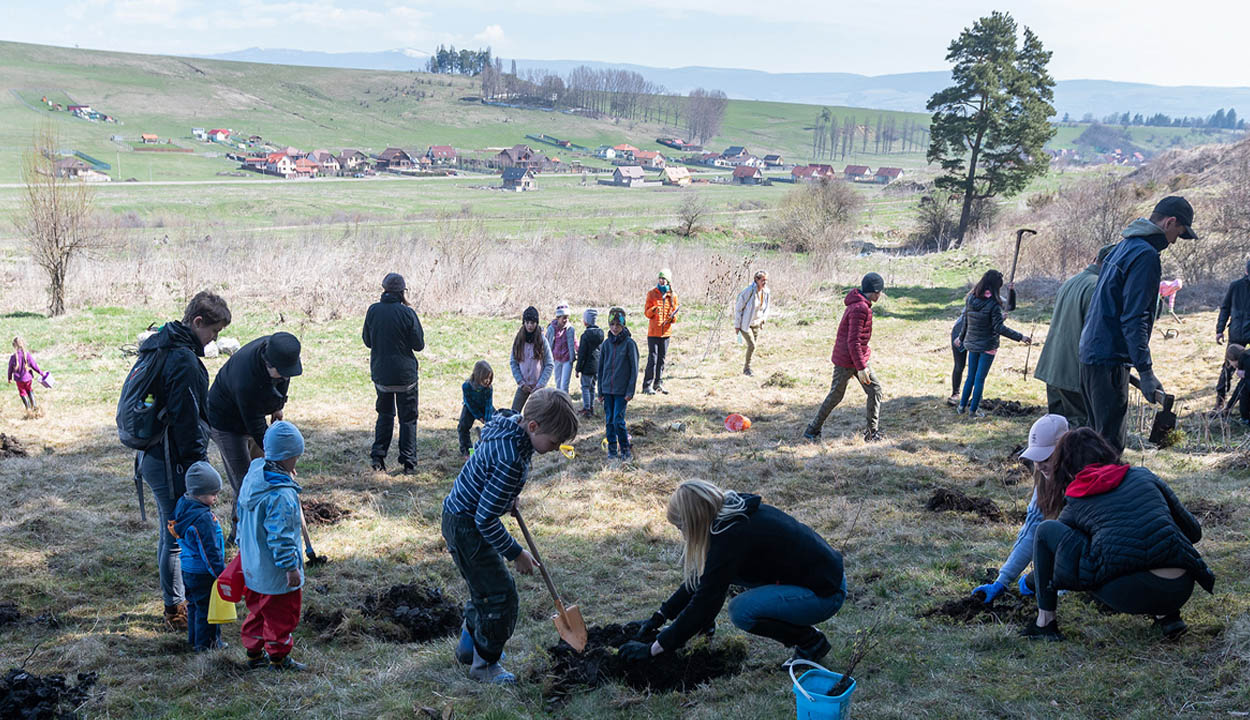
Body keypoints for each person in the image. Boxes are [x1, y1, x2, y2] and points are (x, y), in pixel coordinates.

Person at [619, 480, 846, 665]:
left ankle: (810, 642)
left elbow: (706, 600)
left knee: (742, 610)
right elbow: (704, 579)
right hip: (822, 579)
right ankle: (702, 627)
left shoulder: (731, 537)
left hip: (825, 594)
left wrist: (654, 649)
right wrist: (661, 615)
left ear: (694, 522)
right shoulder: (731, 515)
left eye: (681, 528)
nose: (683, 536)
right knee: (720, 584)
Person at [1022, 428, 1214, 641]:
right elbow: (1193, 532)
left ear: (1066, 468)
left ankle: (1045, 622)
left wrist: (1031, 582)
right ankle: (1169, 617)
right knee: (1148, 537)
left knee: (1047, 530)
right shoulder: (1143, 476)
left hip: (1129, 594)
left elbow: (1056, 553)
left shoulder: (1076, 499)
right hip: (1180, 587)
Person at [443, 388, 579, 684]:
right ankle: (485, 665)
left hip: (457, 516)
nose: (556, 448)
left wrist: (507, 498)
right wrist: (516, 553)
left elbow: (488, 480)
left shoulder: (508, 426)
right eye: (554, 442)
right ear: (532, 427)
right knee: (501, 596)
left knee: (483, 588)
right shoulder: (510, 459)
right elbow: (485, 518)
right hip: (468, 527)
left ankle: (471, 647)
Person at [137, 291, 231, 631]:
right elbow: (187, 418)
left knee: (172, 532)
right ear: (197, 322)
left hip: (158, 454)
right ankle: (176, 608)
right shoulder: (184, 361)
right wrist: (197, 467)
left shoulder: (167, 346)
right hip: (171, 460)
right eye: (214, 332)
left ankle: (177, 603)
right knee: (176, 535)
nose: (214, 340)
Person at [1079, 197, 1195, 451]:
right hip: (1108, 359)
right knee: (1108, 447)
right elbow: (1134, 318)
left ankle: (1081, 489)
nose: (1175, 240)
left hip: (1092, 355)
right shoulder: (1145, 255)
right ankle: (1098, 490)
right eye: (1179, 232)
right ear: (1170, 222)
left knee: (1093, 440)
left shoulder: (1124, 246)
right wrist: (1145, 371)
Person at [207, 331, 302, 544]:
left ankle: (263, 526)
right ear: (268, 365)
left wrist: (278, 407)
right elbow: (256, 426)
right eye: (283, 372)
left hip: (251, 413)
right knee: (247, 481)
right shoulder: (246, 379)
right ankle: (241, 535)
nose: (287, 376)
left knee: (264, 471)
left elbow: (284, 379)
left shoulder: (282, 351)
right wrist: (281, 457)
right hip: (226, 422)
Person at [971, 414, 1069, 603]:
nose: (1039, 465)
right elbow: (1032, 530)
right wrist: (1003, 580)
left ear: (1065, 451)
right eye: (1036, 459)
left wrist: (1061, 581)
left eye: (1046, 458)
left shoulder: (1087, 478)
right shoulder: (1044, 479)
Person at [236, 421, 309, 670]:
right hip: (276, 571)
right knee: (282, 614)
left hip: (252, 563)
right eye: (295, 458)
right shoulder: (282, 496)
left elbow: (241, 514)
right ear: (289, 457)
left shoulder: (254, 475)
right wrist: (290, 568)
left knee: (256, 610)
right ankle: (278, 658)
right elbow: (282, 536)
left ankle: (253, 654)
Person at [1033, 245, 1114, 428]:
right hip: (1074, 372)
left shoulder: (1071, 281)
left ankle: (1052, 457)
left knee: (1056, 429)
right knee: (1078, 430)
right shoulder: (1097, 288)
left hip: (1053, 367)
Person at [804, 272, 885, 443]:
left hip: (858, 358)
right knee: (836, 395)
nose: (881, 295)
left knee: (875, 390)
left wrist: (862, 363)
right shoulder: (860, 308)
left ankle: (872, 433)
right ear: (875, 291)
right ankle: (812, 430)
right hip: (847, 361)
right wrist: (862, 368)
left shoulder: (861, 305)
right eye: (880, 291)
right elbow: (853, 341)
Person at [362, 273, 425, 473]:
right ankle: (408, 463)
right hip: (405, 377)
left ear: (384, 289)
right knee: (407, 419)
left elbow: (367, 341)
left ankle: (378, 457)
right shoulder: (408, 313)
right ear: (402, 292)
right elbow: (419, 345)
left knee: (385, 415)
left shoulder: (373, 311)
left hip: (382, 375)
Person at [957, 270, 1031, 418]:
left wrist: (961, 337)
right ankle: (973, 410)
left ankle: (961, 406)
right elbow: (998, 328)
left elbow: (966, 320)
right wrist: (1020, 337)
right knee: (979, 379)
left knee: (970, 376)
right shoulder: (993, 304)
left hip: (972, 344)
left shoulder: (971, 298)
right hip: (987, 346)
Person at [170, 461, 227, 651]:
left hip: (187, 569)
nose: (216, 499)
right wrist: (221, 573)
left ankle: (194, 639)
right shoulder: (203, 520)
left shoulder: (183, 505)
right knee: (207, 609)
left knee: (194, 605)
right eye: (213, 494)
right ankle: (207, 645)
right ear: (200, 494)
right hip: (204, 573)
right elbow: (209, 551)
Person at [598, 307, 639, 461]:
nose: (615, 327)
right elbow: (600, 368)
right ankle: (612, 449)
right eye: (612, 324)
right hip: (607, 389)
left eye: (618, 324)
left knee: (618, 420)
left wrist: (630, 391)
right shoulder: (606, 344)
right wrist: (600, 391)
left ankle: (625, 448)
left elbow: (634, 369)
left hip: (622, 391)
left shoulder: (629, 344)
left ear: (623, 325)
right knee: (609, 421)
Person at [1215, 260, 1250, 410]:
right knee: (1228, 367)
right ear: (1246, 271)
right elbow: (1225, 308)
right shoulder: (1236, 286)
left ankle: (1243, 401)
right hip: (1236, 332)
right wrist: (1219, 330)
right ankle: (1220, 399)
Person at [509, 306, 553, 412]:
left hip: (538, 387)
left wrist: (540, 385)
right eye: (527, 322)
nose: (530, 325)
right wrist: (521, 382)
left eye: (532, 323)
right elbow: (513, 362)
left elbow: (549, 364)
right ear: (524, 322)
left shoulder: (542, 341)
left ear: (536, 323)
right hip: (523, 386)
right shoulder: (519, 340)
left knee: (539, 414)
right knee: (513, 413)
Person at [642, 268, 679, 395]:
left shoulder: (673, 296)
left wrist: (672, 317)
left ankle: (658, 383)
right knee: (653, 359)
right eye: (660, 278)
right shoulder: (651, 293)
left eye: (664, 279)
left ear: (668, 281)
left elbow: (675, 318)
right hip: (653, 333)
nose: (661, 281)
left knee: (662, 359)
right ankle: (647, 386)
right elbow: (646, 313)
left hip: (666, 333)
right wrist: (653, 310)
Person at [732, 270, 771, 377]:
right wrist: (737, 325)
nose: (765, 283)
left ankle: (748, 367)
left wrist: (764, 319)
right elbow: (739, 309)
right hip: (746, 324)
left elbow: (766, 308)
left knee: (752, 347)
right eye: (763, 280)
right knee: (752, 345)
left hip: (757, 324)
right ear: (756, 280)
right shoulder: (748, 292)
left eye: (766, 280)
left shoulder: (766, 292)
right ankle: (747, 369)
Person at [459, 361, 494, 458]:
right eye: (485, 378)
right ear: (478, 376)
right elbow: (469, 403)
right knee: (463, 427)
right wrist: (478, 416)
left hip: (484, 406)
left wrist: (487, 419)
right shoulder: (466, 386)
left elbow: (488, 404)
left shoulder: (488, 388)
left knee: (495, 422)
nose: (487, 380)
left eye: (489, 378)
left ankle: (492, 448)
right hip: (471, 407)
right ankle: (467, 451)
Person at [8, 336, 47, 418]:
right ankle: (35, 406)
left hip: (19, 380)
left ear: (14, 345)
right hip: (28, 378)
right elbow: (34, 365)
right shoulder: (27, 355)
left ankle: (28, 409)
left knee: (22, 393)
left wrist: (9, 378)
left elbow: (10, 368)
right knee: (29, 390)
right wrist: (41, 373)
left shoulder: (13, 357)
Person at [575, 309, 604, 418]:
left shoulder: (585, 336)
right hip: (597, 366)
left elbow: (582, 354)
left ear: (586, 321)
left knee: (585, 387)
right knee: (592, 387)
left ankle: (587, 408)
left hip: (587, 367)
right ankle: (591, 406)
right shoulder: (601, 334)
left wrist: (578, 368)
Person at [546, 304, 577, 394]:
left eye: (567, 317)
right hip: (556, 359)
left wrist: (579, 350)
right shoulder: (551, 329)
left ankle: (565, 404)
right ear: (558, 318)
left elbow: (574, 342)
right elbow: (547, 343)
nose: (565, 320)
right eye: (563, 318)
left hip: (567, 359)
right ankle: (559, 404)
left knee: (564, 385)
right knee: (558, 384)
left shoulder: (570, 329)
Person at [947, 305, 968, 407]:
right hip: (959, 333)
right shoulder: (973, 300)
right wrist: (960, 338)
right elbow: (966, 320)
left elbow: (1010, 306)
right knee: (959, 366)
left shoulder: (995, 299)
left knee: (976, 368)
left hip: (977, 336)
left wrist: (1011, 291)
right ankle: (955, 393)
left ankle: (976, 396)